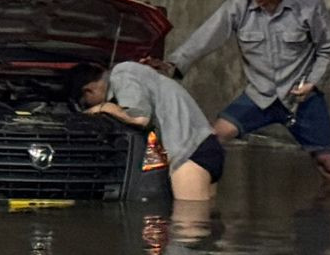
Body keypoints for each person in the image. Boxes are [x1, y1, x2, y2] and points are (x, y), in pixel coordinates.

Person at [151, 0, 330, 186]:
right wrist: (173, 65)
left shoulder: (308, 7)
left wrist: (312, 83)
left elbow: (328, 50)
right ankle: (195, 194)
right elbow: (204, 39)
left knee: (327, 162)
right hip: (259, 96)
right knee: (211, 141)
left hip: (300, 97)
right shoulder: (237, 8)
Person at [72, 61, 226, 202]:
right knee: (206, 215)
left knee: (188, 217)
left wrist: (104, 108)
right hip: (206, 145)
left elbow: (140, 118)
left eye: (86, 105)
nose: (90, 108)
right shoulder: (140, 75)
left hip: (189, 155)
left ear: (88, 91)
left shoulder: (121, 74)